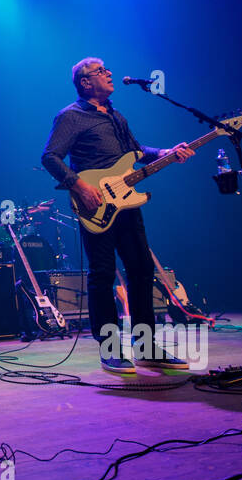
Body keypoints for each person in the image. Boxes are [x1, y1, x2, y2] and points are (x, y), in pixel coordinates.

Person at [40, 58, 195, 374]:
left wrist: (166, 153)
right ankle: (110, 348)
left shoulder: (116, 116)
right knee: (102, 273)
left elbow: (137, 152)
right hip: (95, 204)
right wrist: (79, 185)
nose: (109, 73)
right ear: (85, 82)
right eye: (101, 71)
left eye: (107, 69)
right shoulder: (70, 116)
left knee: (141, 270)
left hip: (128, 203)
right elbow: (50, 156)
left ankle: (147, 347)